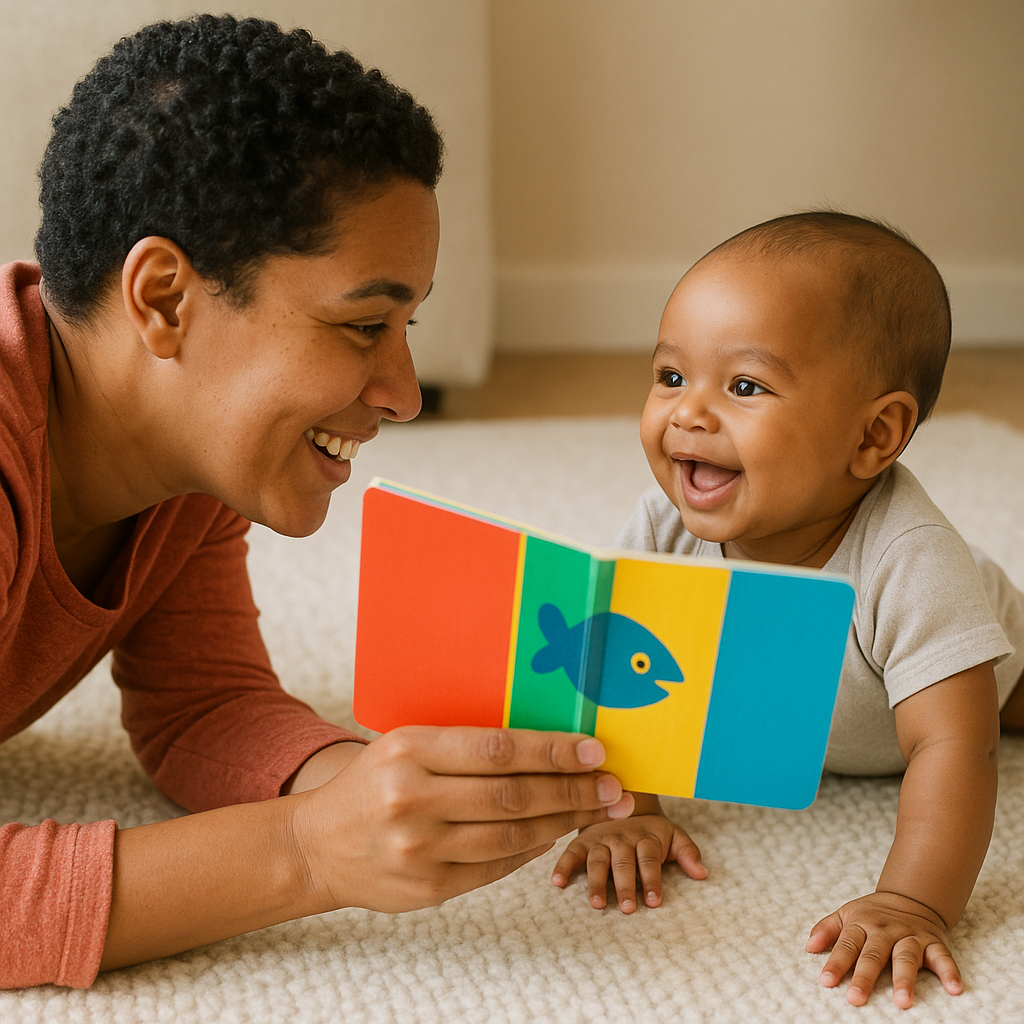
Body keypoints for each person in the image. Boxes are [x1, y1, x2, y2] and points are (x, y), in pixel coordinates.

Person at [0, 15, 635, 990]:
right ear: (165, 298)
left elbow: (201, 703)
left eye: (406, 325)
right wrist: (306, 852)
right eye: (364, 323)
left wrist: (381, 793)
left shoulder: (182, 459)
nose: (404, 392)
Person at [549, 211, 1024, 1009]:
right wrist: (630, 809)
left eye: (744, 387)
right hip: (820, 708)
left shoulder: (913, 561)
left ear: (875, 436)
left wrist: (914, 902)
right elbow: (616, 670)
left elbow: (955, 747)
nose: (688, 414)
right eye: (670, 376)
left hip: (990, 667)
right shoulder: (663, 528)